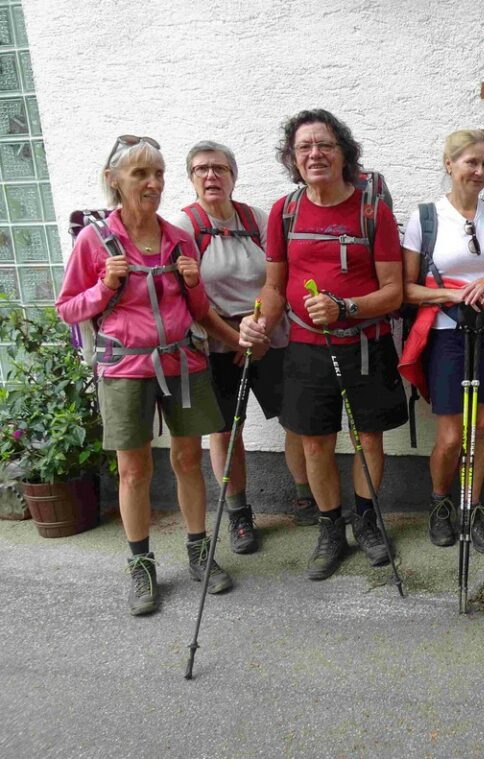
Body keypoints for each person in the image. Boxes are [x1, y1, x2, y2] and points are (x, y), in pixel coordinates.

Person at [56, 135, 232, 616]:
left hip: (181, 360)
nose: (152, 183)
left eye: (157, 174)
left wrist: (194, 283)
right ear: (114, 181)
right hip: (125, 366)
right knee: (134, 470)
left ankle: (198, 551)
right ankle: (141, 565)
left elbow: (196, 310)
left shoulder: (178, 237)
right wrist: (103, 285)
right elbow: (67, 308)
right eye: (140, 175)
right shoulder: (95, 241)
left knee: (188, 461)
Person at [238, 109, 407, 580]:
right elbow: (274, 288)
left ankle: (368, 522)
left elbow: (394, 291)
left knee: (368, 437)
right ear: (293, 159)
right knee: (315, 444)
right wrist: (257, 322)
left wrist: (345, 308)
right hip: (307, 348)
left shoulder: (373, 212)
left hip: (365, 344)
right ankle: (331, 528)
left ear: (343, 152)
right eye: (304, 147)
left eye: (325, 145)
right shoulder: (284, 212)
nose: (315, 154)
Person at [169, 141, 312, 555]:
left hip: (269, 338)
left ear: (233, 175)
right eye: (200, 170)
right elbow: (186, 297)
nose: (211, 176)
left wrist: (260, 333)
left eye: (219, 168)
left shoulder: (256, 218)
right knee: (225, 430)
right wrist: (237, 339)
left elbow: (278, 280)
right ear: (191, 178)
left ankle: (306, 496)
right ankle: (239, 514)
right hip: (217, 345)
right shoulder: (184, 226)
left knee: (296, 420)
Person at [399, 129, 484, 553]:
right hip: (448, 334)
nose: (480, 171)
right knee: (452, 436)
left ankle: (472, 509)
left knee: (482, 428)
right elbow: (407, 290)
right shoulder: (426, 218)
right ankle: (440, 504)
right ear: (449, 164)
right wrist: (453, 293)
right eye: (471, 162)